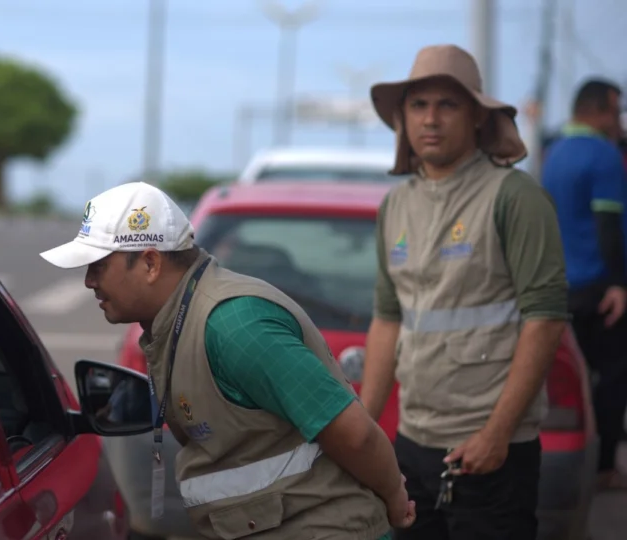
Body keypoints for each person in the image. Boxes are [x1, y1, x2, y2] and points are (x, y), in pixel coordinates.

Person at [39, 182, 415, 539]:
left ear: (150, 263)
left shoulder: (234, 327)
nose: (89, 281)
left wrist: (395, 500)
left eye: (99, 266)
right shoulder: (175, 324)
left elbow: (355, 434)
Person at [361, 44, 569, 539]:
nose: (430, 119)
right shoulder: (396, 205)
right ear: (402, 117)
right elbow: (387, 320)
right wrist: (364, 433)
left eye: (447, 105)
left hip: (491, 451)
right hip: (411, 443)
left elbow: (545, 318)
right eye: (418, 105)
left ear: (477, 115)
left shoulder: (514, 196)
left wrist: (497, 433)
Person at [541, 78, 627, 490]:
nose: (620, 120)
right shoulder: (604, 155)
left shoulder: (553, 153)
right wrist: (619, 284)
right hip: (599, 289)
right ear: (604, 107)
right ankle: (605, 468)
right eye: (618, 110)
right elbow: (608, 226)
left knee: (570, 386)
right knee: (612, 380)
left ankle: (570, 465)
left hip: (560, 288)